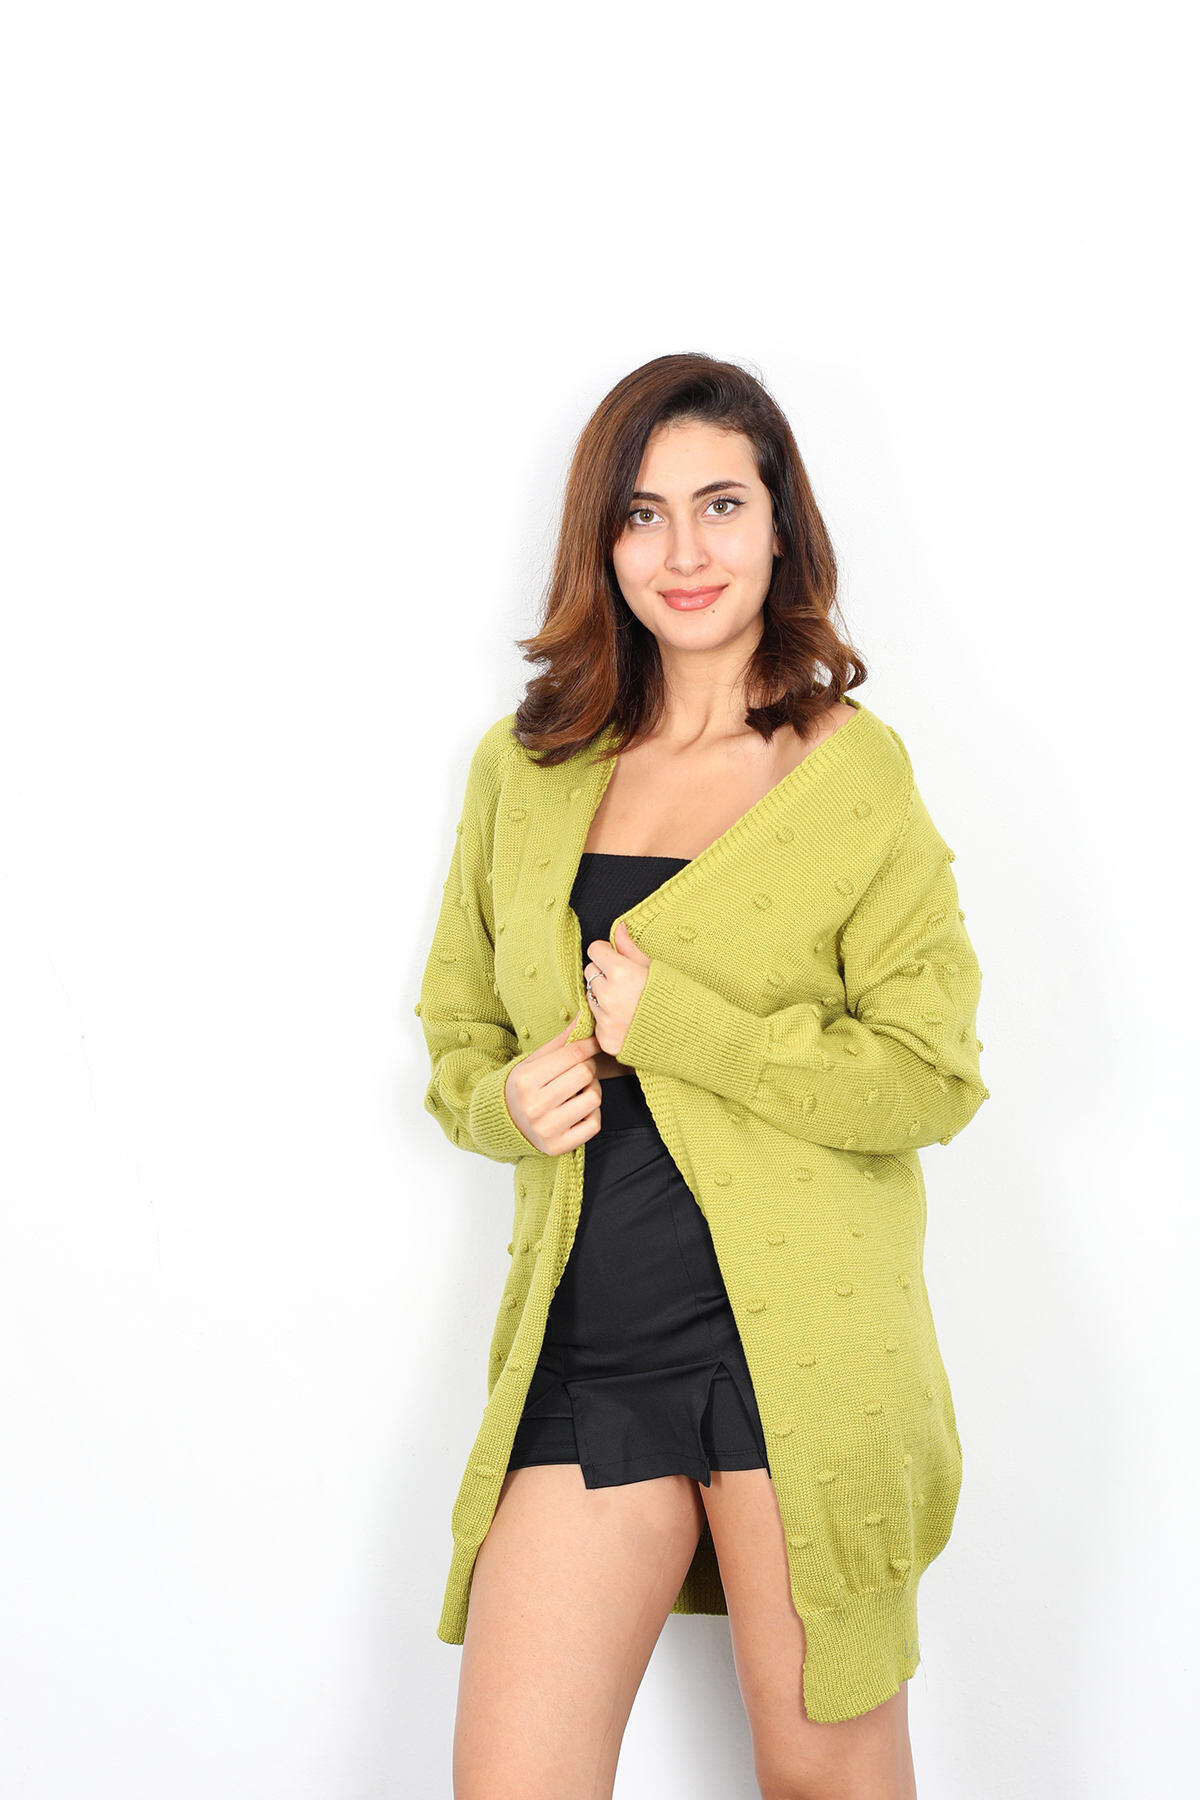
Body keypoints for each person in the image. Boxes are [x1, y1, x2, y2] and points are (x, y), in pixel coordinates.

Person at [415, 351, 989, 1799]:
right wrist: (502, 1104)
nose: (684, 551)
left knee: (824, 1778)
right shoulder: (525, 768)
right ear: (600, 542)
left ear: (781, 525)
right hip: (592, 1349)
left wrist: (693, 1031)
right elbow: (458, 1029)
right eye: (644, 513)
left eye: (722, 504)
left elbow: (930, 1075)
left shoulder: (850, 777)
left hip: (797, 1359)